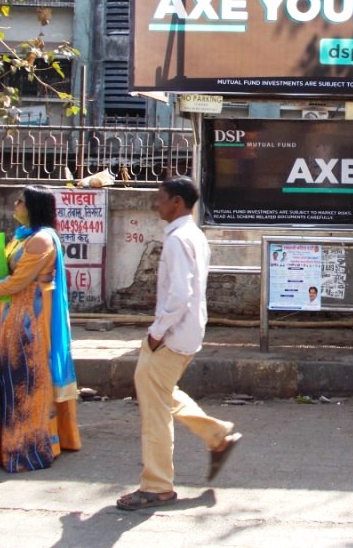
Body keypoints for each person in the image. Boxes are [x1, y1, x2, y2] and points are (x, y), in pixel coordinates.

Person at [118, 176, 242, 511]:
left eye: (160, 198)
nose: (155, 204)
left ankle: (157, 485)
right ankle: (216, 434)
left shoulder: (178, 239)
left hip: (173, 334)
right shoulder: (193, 235)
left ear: (176, 202)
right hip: (186, 331)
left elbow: (180, 295)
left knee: (155, 409)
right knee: (157, 390)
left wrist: (157, 332)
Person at [0, 185, 80, 473]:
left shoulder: (40, 241)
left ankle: (27, 447)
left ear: (34, 207)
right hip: (9, 314)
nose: (15, 204)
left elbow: (17, 282)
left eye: (21, 201)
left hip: (29, 318)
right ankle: (4, 445)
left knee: (26, 377)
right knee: (6, 375)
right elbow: (2, 270)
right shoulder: (21, 238)